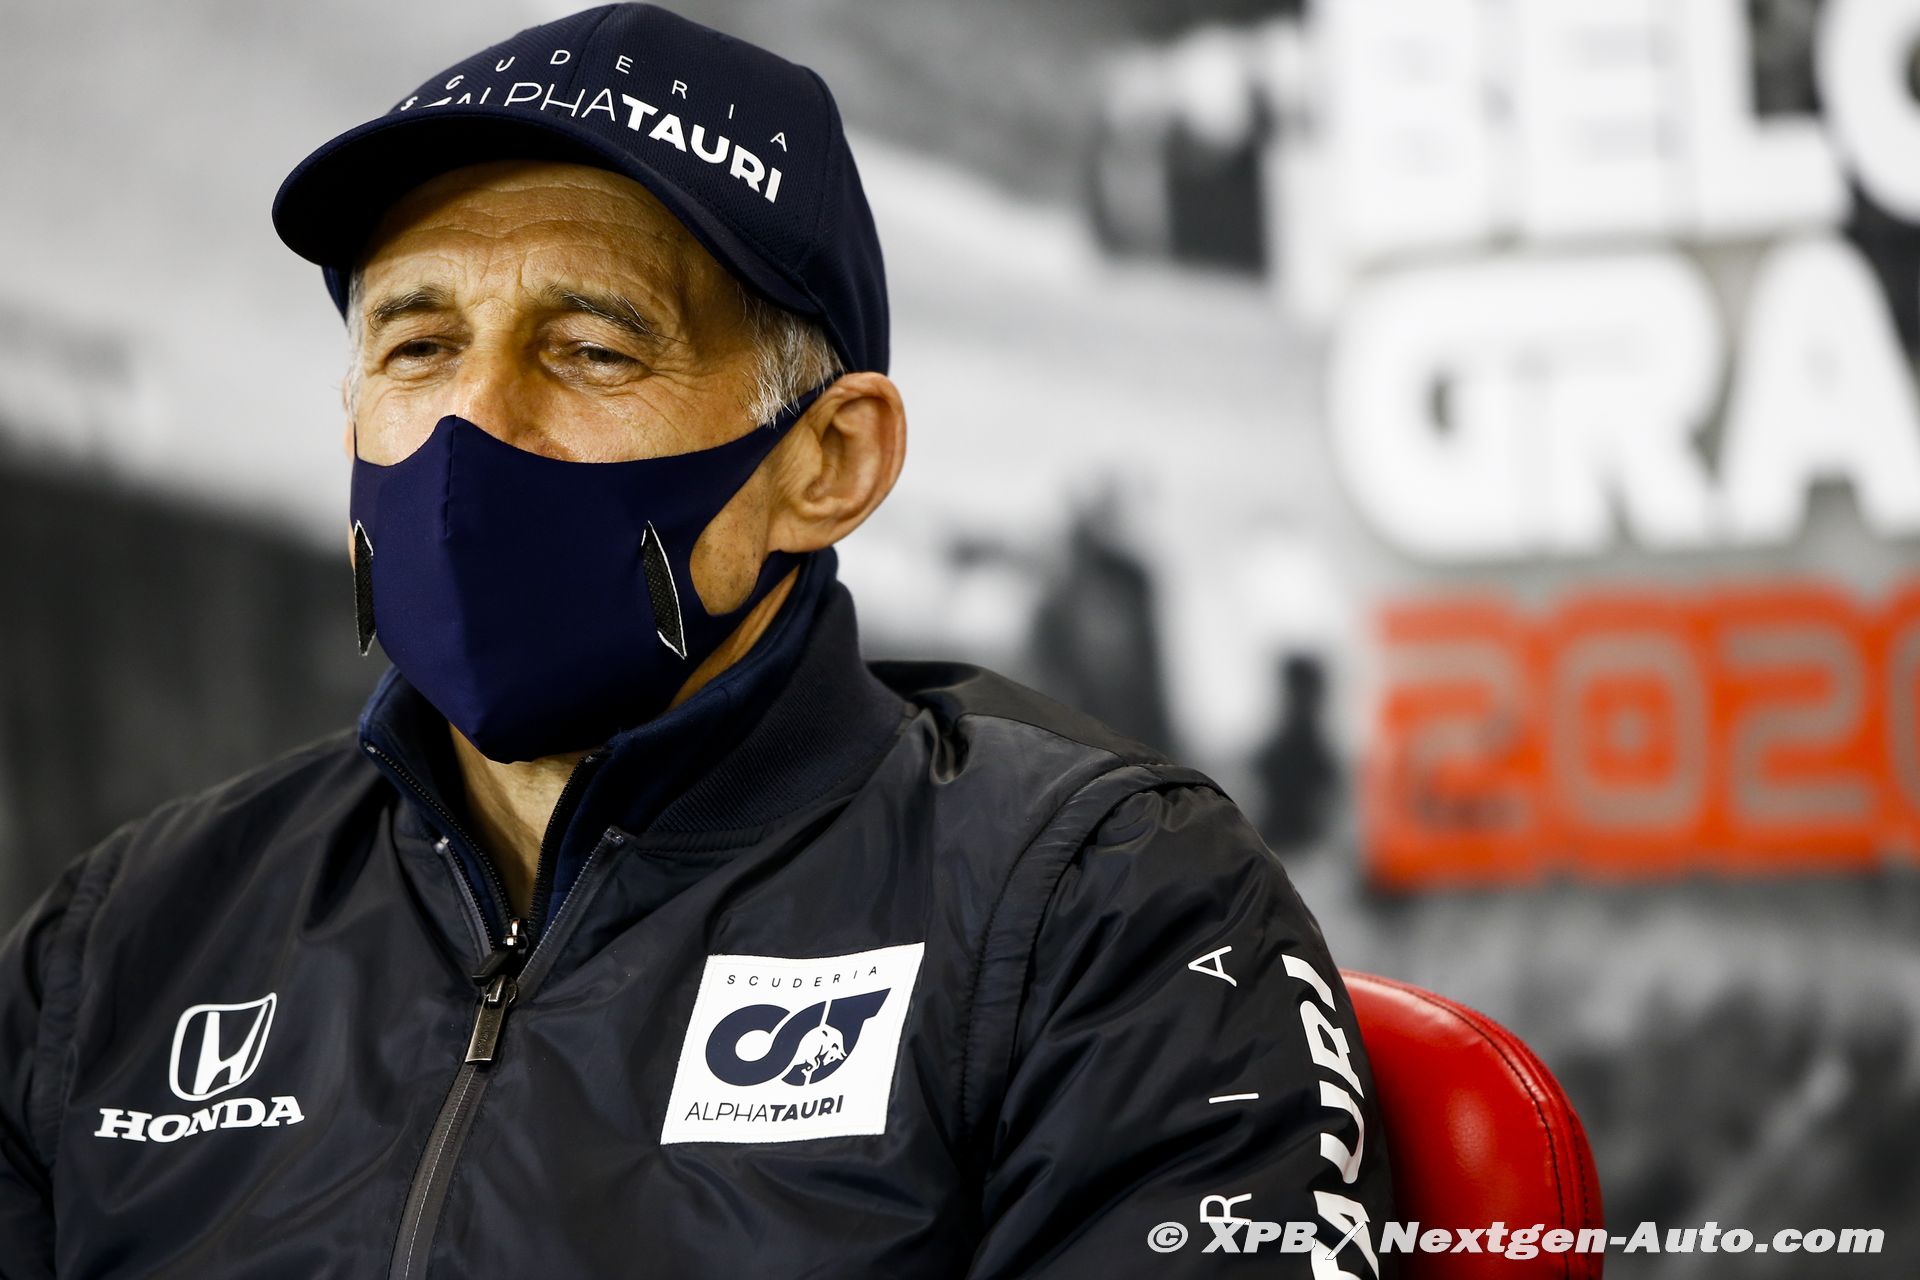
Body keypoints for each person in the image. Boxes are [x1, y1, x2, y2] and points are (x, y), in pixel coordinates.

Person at [0, 6, 1394, 1276]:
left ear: (828, 462)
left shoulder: (1105, 911)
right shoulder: (118, 945)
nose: (474, 428)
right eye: (417, 346)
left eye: (592, 350)